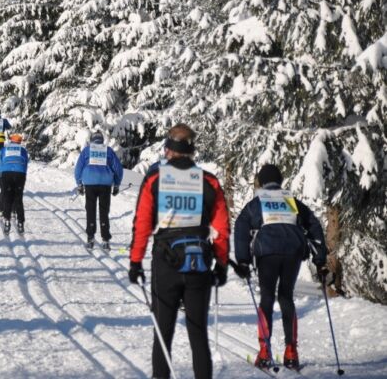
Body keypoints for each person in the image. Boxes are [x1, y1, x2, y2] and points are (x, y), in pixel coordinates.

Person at [128, 123, 231, 379]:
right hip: (198, 263)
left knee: (163, 332)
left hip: (166, 263)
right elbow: (222, 228)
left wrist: (135, 261)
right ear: (191, 150)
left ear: (168, 150)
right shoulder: (208, 181)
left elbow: (142, 224)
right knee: (198, 334)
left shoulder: (156, 179)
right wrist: (221, 264)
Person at [233, 164, 328, 371]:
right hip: (293, 251)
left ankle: (265, 352)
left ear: (262, 181)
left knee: (267, 297)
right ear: (280, 180)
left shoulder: (258, 203)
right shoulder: (291, 201)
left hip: (267, 252)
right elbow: (314, 225)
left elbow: (241, 226)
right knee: (286, 296)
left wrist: (243, 260)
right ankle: (291, 351)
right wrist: (320, 259)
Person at [74, 131, 124, 249]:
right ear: (102, 140)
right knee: (103, 211)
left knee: (90, 210)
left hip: (90, 184)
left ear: (92, 140)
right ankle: (105, 239)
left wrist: (79, 184)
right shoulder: (108, 151)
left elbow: (78, 168)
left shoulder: (87, 150)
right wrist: (116, 184)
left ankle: (90, 238)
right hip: (105, 185)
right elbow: (118, 169)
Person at [0, 133, 29, 234]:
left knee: (7, 197)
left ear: (11, 141)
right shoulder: (23, 150)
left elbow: (1, 160)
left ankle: (7, 220)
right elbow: (26, 162)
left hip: (6, 173)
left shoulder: (5, 149)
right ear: (20, 142)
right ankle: (20, 222)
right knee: (18, 198)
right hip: (20, 174)